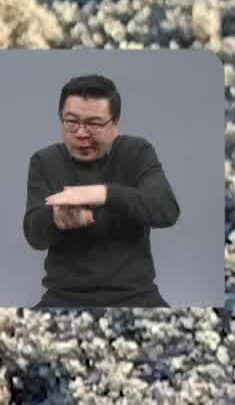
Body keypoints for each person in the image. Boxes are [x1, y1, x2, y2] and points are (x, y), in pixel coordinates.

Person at [22, 73, 181, 308]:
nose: (81, 133)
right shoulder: (45, 161)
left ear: (115, 122)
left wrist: (102, 194)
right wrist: (56, 219)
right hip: (64, 297)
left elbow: (166, 209)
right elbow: (34, 235)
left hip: (136, 296)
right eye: (71, 122)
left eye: (94, 124)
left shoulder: (136, 152)